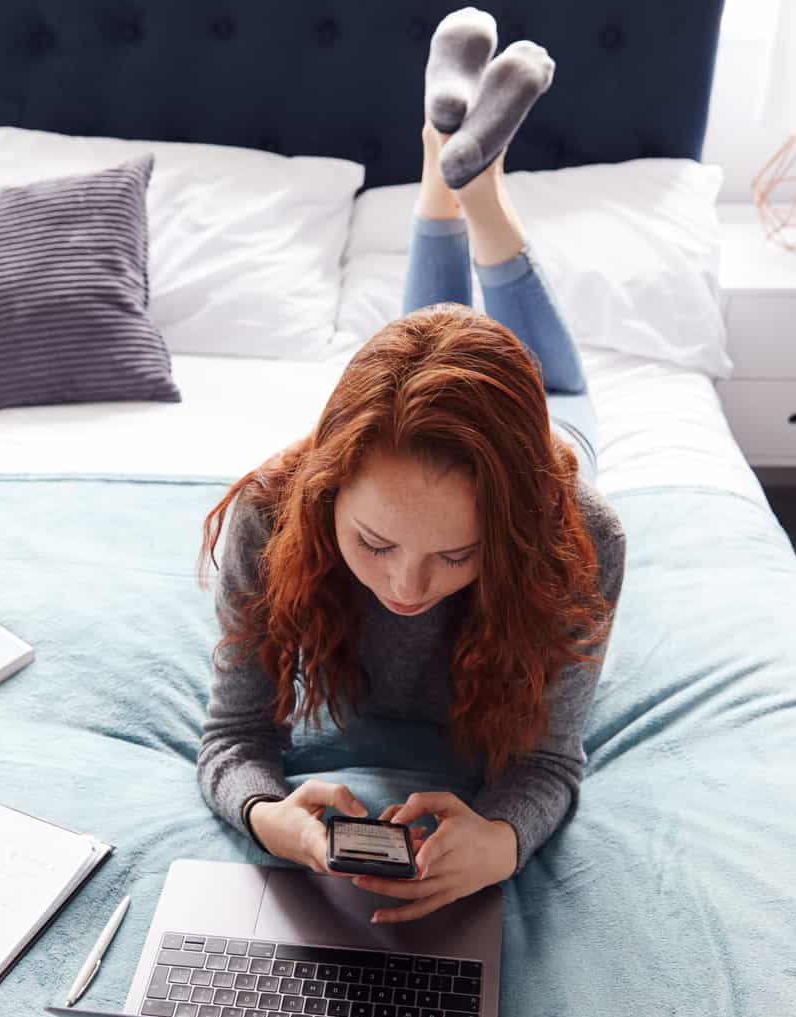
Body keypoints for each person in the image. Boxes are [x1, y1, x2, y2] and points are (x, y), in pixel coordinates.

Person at [195, 11, 626, 924]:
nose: (406, 584)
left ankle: (467, 180)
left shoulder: (580, 530)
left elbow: (549, 760)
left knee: (559, 379)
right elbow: (234, 736)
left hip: (552, 435)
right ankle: (456, 166)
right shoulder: (272, 515)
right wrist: (271, 815)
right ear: (328, 488)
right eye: (375, 541)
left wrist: (503, 839)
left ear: (508, 534)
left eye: (458, 557)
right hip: (421, 413)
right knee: (430, 349)